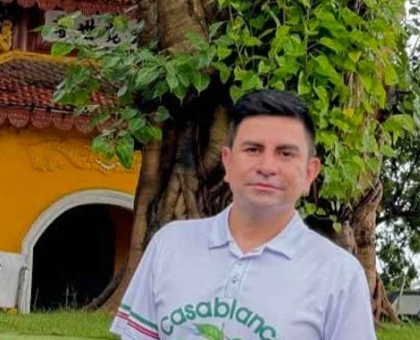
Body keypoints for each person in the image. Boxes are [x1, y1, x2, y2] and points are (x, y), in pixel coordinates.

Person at [111, 89, 375, 340]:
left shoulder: (338, 274)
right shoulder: (169, 245)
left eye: (285, 153)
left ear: (309, 173)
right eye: (253, 149)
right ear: (227, 162)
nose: (267, 167)